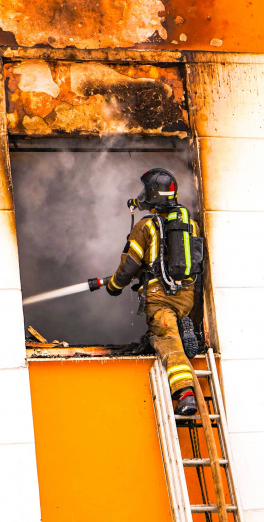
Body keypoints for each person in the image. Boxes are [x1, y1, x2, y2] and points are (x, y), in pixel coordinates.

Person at [106, 168, 200, 416]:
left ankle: (185, 393)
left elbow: (129, 267)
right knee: (167, 329)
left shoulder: (145, 226)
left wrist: (114, 286)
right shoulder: (190, 225)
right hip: (186, 297)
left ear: (152, 194)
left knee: (166, 340)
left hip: (159, 297)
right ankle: (183, 326)